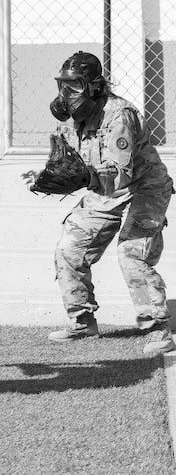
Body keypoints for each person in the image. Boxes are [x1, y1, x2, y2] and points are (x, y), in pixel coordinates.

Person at [46, 51, 175, 357]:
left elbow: (120, 174)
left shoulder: (120, 115)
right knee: (68, 249)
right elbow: (70, 160)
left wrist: (82, 177)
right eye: (63, 85)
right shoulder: (75, 118)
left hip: (144, 189)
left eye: (75, 86)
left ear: (94, 85)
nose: (66, 94)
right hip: (104, 193)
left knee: (131, 253)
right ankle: (82, 321)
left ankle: (159, 329)